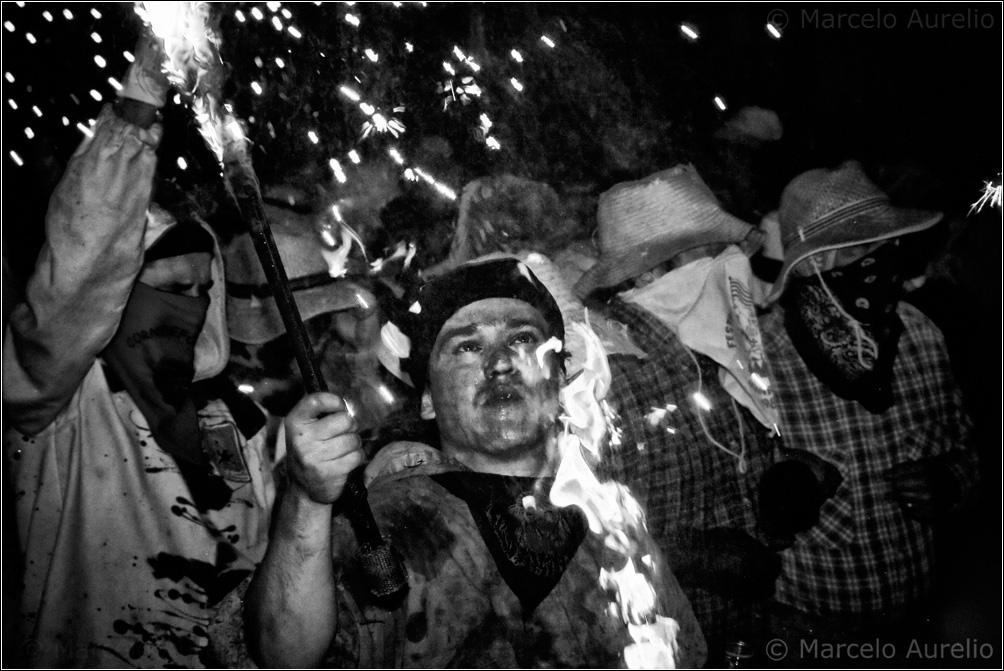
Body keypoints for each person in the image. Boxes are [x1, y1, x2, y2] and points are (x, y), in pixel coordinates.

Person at [209, 256, 707, 668]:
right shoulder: (387, 519)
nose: (501, 362)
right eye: (468, 346)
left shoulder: (611, 521)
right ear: (426, 401)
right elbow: (280, 656)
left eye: (522, 339)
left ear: (558, 383)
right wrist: (306, 499)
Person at [3, 36, 276, 667]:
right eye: (172, 289)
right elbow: (78, 270)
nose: (194, 306)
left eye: (205, 290)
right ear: (116, 295)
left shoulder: (241, 425)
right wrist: (141, 101)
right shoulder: (58, 405)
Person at [756, 161, 979, 664]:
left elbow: (968, 449)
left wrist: (950, 482)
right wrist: (783, 498)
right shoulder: (761, 359)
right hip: (812, 636)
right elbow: (740, 505)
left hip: (921, 626)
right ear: (815, 264)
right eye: (859, 250)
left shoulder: (920, 334)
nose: (879, 261)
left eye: (885, 245)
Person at [571, 165, 792, 665]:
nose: (730, 261)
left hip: (749, 634)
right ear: (649, 274)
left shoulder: (725, 344)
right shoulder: (606, 372)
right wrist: (692, 555)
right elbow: (571, 532)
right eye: (709, 251)